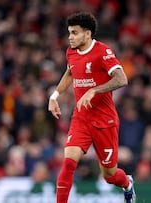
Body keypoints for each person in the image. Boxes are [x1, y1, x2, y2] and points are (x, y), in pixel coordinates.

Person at [48, 12, 136, 203]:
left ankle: (127, 184)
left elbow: (122, 79)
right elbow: (70, 73)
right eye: (69, 32)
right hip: (81, 118)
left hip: (104, 120)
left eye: (74, 33)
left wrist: (94, 90)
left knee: (110, 175)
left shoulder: (103, 52)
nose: (70, 37)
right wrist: (55, 95)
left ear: (87, 34)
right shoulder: (71, 51)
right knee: (68, 163)